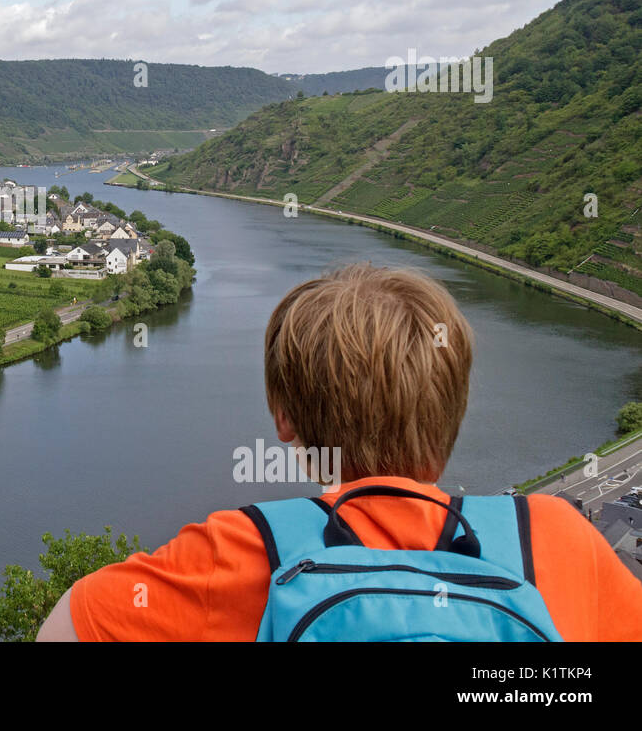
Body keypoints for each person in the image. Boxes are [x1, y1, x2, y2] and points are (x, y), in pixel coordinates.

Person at [37, 263, 642, 641]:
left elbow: (67, 626)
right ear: (454, 410)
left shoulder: (237, 552)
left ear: (284, 417)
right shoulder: (556, 539)